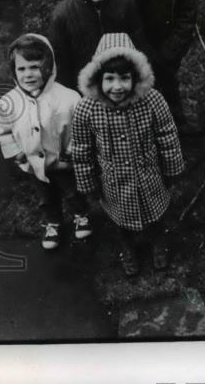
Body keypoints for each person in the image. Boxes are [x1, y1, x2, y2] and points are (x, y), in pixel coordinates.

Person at [72, 33, 184, 276]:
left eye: (125, 78)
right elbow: (82, 149)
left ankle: (157, 242)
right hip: (114, 181)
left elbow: (168, 136)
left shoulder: (152, 100)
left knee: (156, 213)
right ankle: (127, 247)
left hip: (149, 174)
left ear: (137, 77)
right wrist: (88, 184)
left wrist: (172, 169)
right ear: (96, 79)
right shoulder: (86, 109)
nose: (117, 86)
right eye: (109, 78)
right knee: (120, 219)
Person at [0, 33, 91, 250]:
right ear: (14, 71)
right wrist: (17, 152)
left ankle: (81, 215)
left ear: (48, 67)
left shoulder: (68, 98)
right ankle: (53, 223)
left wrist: (73, 150)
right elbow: (4, 131)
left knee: (72, 191)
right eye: (21, 69)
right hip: (34, 162)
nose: (28, 74)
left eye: (35, 67)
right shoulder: (8, 103)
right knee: (45, 197)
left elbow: (81, 129)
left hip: (64, 161)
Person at [117, 0, 199, 134]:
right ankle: (145, 130)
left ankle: (178, 122)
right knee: (139, 90)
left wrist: (170, 52)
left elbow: (186, 19)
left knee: (168, 86)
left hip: (166, 50)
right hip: (136, 52)